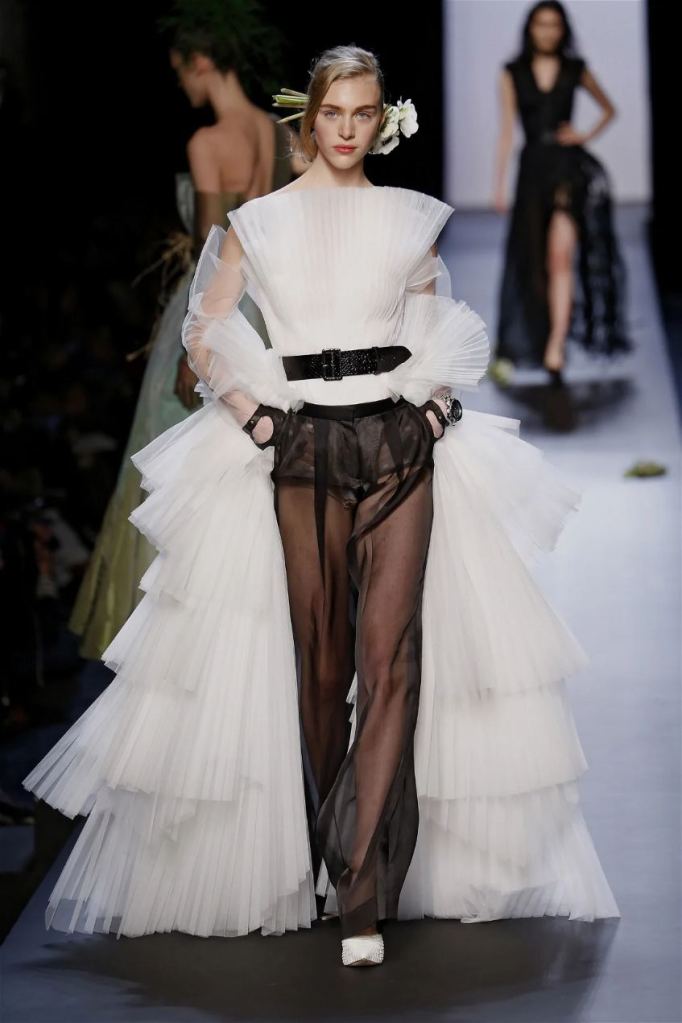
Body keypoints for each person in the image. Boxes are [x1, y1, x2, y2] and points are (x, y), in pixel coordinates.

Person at [22, 44, 620, 968]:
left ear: (382, 120)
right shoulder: (259, 224)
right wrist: (256, 418)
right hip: (301, 446)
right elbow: (205, 332)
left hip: (397, 443)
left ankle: (360, 890)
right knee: (321, 666)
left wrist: (433, 410)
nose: (347, 129)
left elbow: (441, 332)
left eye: (363, 113)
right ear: (310, 118)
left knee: (392, 662)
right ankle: (328, 844)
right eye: (333, 113)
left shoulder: (409, 218)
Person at [68, 10, 304, 659]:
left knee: (178, 470)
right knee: (249, 470)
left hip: (217, 312)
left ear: (202, 61)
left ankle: (174, 636)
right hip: (270, 316)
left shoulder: (208, 142)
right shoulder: (279, 133)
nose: (180, 84)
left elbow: (210, 249)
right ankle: (250, 630)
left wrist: (190, 350)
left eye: (181, 70)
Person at [491, 0, 632, 388]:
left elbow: (609, 108)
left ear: (563, 29)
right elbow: (507, 131)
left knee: (560, 256)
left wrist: (584, 136)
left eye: (554, 25)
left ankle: (556, 344)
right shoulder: (512, 72)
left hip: (568, 171)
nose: (548, 31)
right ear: (530, 28)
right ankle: (546, 335)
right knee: (535, 261)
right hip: (531, 173)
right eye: (541, 24)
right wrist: (498, 185)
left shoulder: (575, 69)